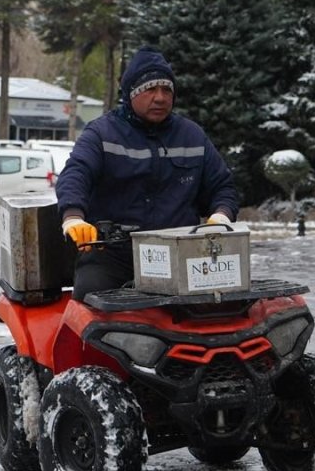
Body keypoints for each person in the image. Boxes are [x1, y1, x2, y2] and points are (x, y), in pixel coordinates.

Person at [54, 46, 238, 300]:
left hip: (180, 256)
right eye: (150, 89)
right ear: (130, 94)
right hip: (113, 256)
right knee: (90, 301)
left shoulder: (192, 136)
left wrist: (221, 215)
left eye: (166, 90)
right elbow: (76, 174)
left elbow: (222, 187)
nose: (160, 97)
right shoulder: (101, 134)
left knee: (221, 311)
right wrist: (73, 217)